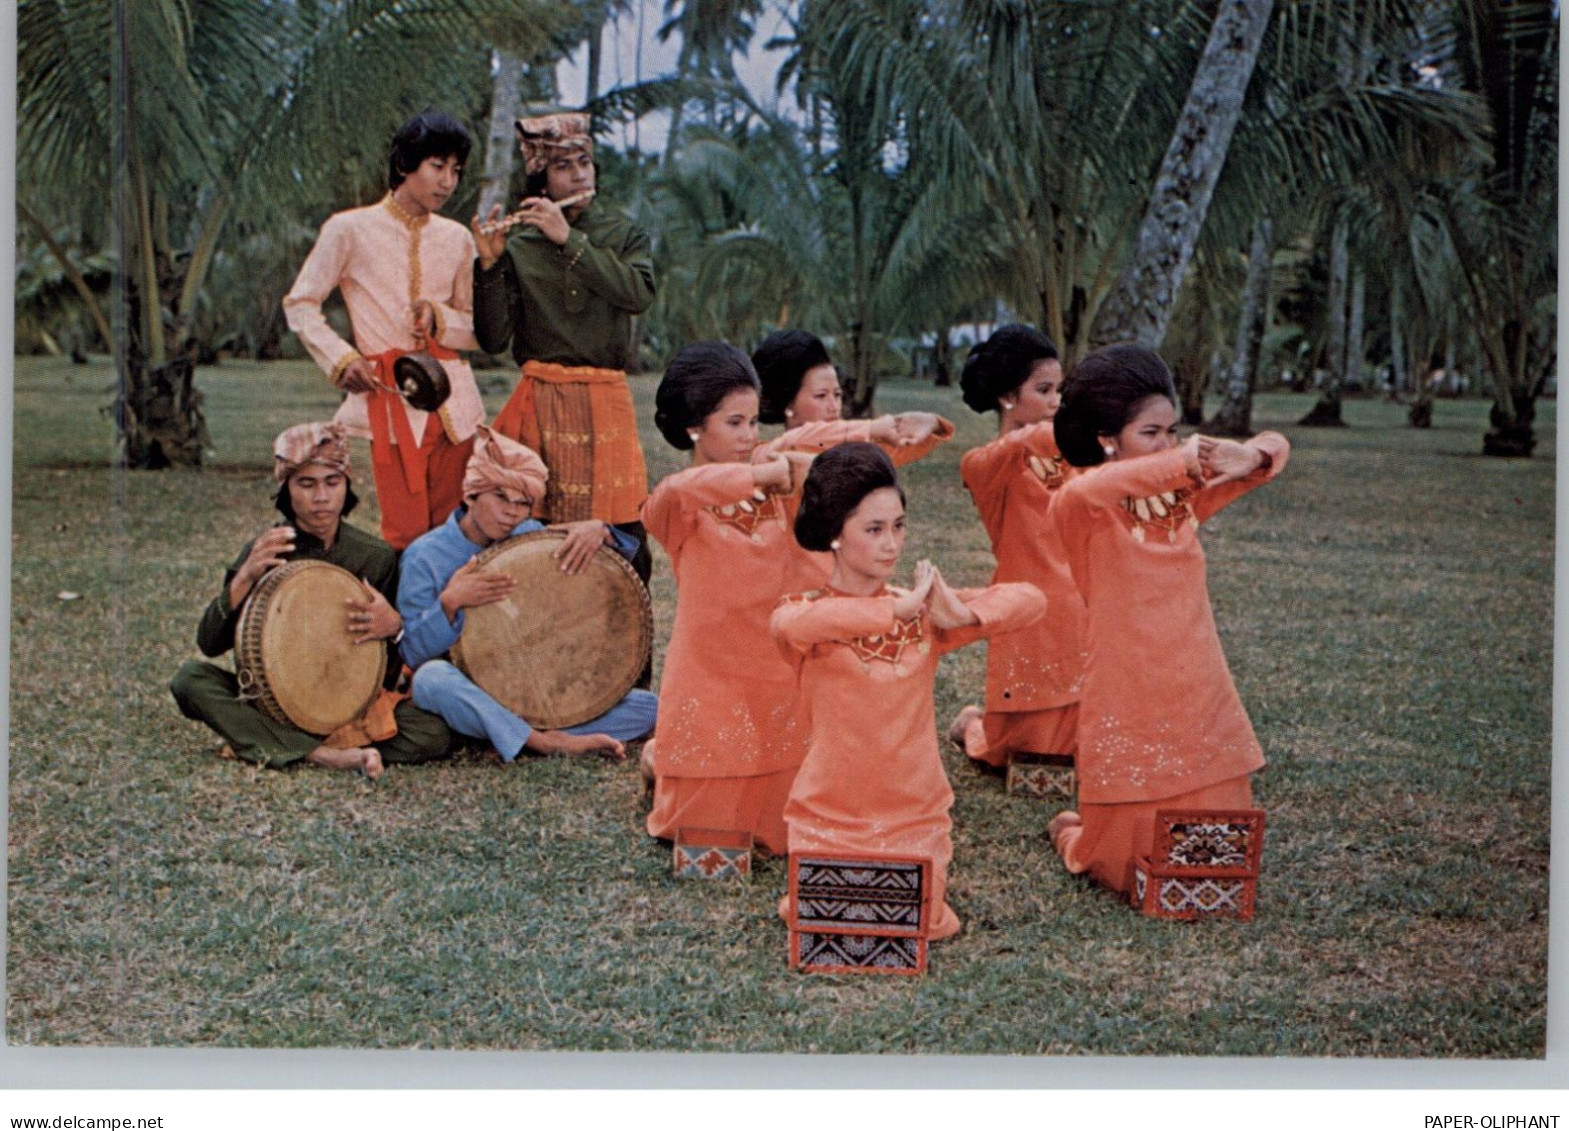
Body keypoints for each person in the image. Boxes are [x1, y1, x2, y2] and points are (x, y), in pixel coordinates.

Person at [770, 444, 1046, 940]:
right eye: (874, 529)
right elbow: (815, 621)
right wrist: (895, 611)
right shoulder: (800, 615)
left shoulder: (924, 612)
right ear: (835, 533)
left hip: (913, 815)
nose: (891, 544)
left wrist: (961, 616)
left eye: (898, 526)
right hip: (830, 816)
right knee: (825, 921)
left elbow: (1032, 601)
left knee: (923, 925)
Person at [1045, 344, 1290, 895]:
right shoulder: (1079, 503)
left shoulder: (1179, 497)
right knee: (1120, 869)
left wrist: (1246, 457)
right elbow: (1094, 485)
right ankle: (1071, 835)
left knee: (1215, 853)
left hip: (1195, 678)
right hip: (1126, 681)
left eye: (1171, 431)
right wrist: (1185, 461)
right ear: (1108, 439)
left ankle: (1078, 830)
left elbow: (1276, 449)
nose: (1168, 445)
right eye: (1149, 433)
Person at [170, 423, 451, 778]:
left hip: (349, 705)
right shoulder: (267, 551)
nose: (321, 497)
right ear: (286, 490)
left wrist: (394, 627)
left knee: (434, 733)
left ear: (346, 486)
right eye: (306, 483)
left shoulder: (375, 557)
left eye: (332, 483)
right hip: (273, 701)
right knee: (190, 680)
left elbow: (388, 667)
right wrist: (244, 577)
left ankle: (274, 743)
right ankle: (325, 754)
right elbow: (209, 644)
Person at [640, 342, 820, 853]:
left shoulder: (780, 492)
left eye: (753, 423)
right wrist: (762, 473)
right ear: (695, 426)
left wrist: (871, 435)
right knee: (708, 834)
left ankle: (661, 757)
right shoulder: (677, 504)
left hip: (777, 672)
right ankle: (662, 761)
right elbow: (681, 489)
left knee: (792, 828)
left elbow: (834, 470)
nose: (749, 437)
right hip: (710, 677)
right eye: (733, 423)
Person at [283, 110, 485, 551]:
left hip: (455, 406)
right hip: (389, 397)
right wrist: (342, 360)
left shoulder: (458, 238)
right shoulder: (350, 229)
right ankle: (409, 618)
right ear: (403, 166)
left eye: (456, 170)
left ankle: (455, 618)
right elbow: (300, 303)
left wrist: (441, 318)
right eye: (437, 166)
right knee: (406, 533)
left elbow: (478, 331)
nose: (448, 181)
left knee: (460, 529)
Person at [398, 426, 658, 761]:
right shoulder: (425, 556)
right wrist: (450, 602)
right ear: (470, 494)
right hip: (472, 687)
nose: (511, 512)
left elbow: (611, 565)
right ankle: (543, 742)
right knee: (430, 681)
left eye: (524, 503)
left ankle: (505, 732)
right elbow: (413, 653)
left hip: (537, 687)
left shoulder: (529, 536)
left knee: (650, 707)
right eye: (501, 497)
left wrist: (600, 531)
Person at [472, 110, 656, 581]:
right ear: (541, 178)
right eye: (563, 166)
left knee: (622, 533)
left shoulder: (623, 234)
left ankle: (629, 645)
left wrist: (568, 239)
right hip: (541, 400)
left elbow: (637, 295)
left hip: (606, 400)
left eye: (584, 163)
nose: (578, 174)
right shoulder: (521, 245)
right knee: (537, 530)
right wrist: (490, 266)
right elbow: (494, 339)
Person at [946, 324, 1087, 771]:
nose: (1055, 401)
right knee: (1012, 754)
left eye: (1060, 391)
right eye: (1044, 390)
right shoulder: (986, 464)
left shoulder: (1071, 452)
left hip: (1082, 603)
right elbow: (1022, 443)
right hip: (1028, 609)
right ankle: (973, 726)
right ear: (1008, 396)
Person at [750, 329, 954, 463]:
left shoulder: (854, 450)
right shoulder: (771, 454)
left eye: (837, 395)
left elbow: (901, 447)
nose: (834, 406)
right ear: (788, 405)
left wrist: (932, 422)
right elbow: (801, 438)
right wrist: (871, 428)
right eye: (821, 396)